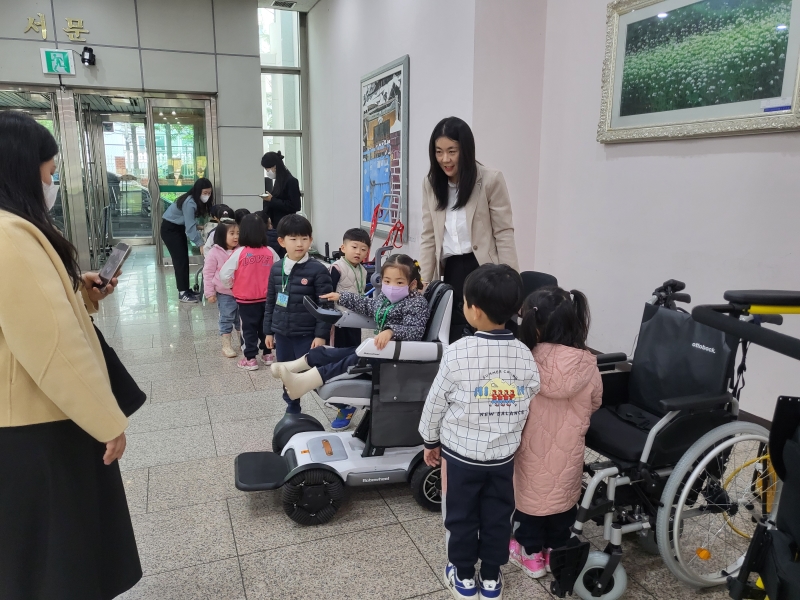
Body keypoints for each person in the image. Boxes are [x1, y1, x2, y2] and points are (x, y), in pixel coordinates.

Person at [0, 111, 141, 600]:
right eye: (49, 171)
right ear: (19, 168)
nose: (52, 181)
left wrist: (78, 292)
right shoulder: (10, 237)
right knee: (59, 556)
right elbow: (50, 346)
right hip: (38, 426)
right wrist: (106, 419)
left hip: (22, 421)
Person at [418, 264, 539, 600]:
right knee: (499, 516)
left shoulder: (457, 352)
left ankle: (463, 576)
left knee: (461, 516)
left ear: (474, 310)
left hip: (460, 458)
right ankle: (490, 579)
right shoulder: (524, 354)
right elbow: (531, 391)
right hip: (502, 458)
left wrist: (430, 440)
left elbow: (436, 403)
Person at [273, 254, 429, 430]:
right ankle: (291, 367)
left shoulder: (417, 303)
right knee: (332, 352)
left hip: (397, 358)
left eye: (399, 283)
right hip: (380, 351)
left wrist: (391, 331)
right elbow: (367, 305)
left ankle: (305, 381)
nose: (392, 287)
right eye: (387, 281)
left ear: (412, 284)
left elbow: (415, 331)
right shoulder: (385, 299)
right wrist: (340, 297)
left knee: (351, 360)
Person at [509, 287, 602, 578]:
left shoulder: (524, 359)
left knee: (530, 503)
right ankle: (555, 552)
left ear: (533, 325)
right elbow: (596, 400)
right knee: (561, 501)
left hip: (529, 450)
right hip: (568, 450)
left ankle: (531, 556)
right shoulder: (586, 362)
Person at [419, 117, 519, 342]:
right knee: (455, 335)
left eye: (452, 151)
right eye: (439, 152)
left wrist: (512, 280)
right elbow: (428, 235)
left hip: (485, 269)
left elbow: (503, 232)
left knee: (489, 334)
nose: (445, 159)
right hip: (452, 270)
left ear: (466, 149)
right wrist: (424, 279)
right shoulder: (431, 184)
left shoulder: (490, 179)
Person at [263, 214, 332, 414]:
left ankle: (340, 403)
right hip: (282, 333)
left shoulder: (318, 270)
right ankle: (292, 407)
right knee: (286, 371)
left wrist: (320, 335)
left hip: (307, 334)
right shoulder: (276, 269)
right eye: (293, 239)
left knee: (314, 373)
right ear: (282, 241)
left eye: (304, 238)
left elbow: (325, 305)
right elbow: (270, 301)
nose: (299, 244)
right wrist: (269, 331)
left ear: (311, 240)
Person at [220, 214, 279, 370]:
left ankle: (250, 359)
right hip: (267, 299)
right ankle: (268, 354)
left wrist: (232, 286)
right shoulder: (270, 251)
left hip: (246, 300)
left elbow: (224, 274)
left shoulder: (240, 253)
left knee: (248, 329)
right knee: (266, 327)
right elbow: (279, 271)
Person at [161, 177, 214, 303]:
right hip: (170, 230)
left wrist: (200, 227)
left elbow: (188, 222)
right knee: (180, 260)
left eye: (209, 193)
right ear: (197, 191)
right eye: (204, 193)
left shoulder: (194, 200)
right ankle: (182, 293)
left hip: (177, 229)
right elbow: (190, 229)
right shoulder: (189, 202)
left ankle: (186, 289)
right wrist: (200, 244)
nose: (207, 195)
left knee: (183, 259)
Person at [203, 220, 242, 358]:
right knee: (226, 318)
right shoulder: (214, 252)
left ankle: (242, 343)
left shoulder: (241, 250)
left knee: (241, 319)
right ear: (221, 235)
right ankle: (226, 345)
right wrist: (209, 293)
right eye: (232, 233)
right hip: (225, 293)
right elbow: (207, 273)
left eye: (237, 233)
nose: (236, 236)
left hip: (242, 292)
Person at [261, 151, 301, 258]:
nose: (267, 172)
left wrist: (272, 200)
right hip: (275, 226)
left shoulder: (291, 181)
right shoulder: (278, 181)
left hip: (286, 225)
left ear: (274, 167)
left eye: (267, 169)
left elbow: (295, 205)